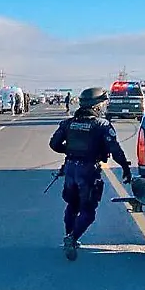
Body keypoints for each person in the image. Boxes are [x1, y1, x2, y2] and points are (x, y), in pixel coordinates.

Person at [49, 87, 132, 260]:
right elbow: (115, 150)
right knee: (88, 210)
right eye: (102, 102)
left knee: (72, 205)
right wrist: (125, 167)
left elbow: (54, 144)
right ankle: (72, 239)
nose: (104, 106)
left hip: (70, 168)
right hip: (88, 171)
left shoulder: (67, 123)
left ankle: (69, 235)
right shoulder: (102, 125)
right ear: (96, 105)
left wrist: (71, 151)